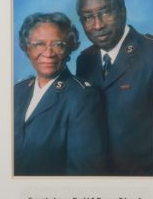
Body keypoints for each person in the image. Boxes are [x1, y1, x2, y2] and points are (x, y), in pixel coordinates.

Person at [76, 0, 153, 176]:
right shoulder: (84, 60)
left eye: (105, 12)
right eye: (88, 17)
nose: (97, 25)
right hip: (98, 177)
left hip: (145, 179)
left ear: (122, 10)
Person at [14, 12, 107, 176]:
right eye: (39, 44)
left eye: (58, 44)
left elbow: (84, 172)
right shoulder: (17, 91)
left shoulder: (82, 97)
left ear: (69, 48)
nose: (48, 53)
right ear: (27, 48)